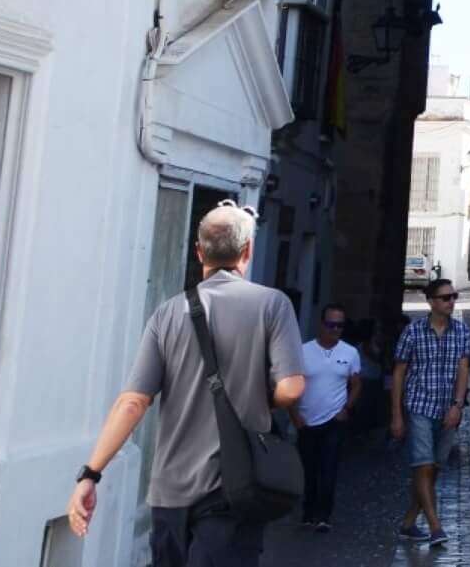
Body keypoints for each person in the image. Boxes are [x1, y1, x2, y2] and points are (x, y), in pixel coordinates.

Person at [66, 201, 307, 564]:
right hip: (234, 487)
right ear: (247, 251)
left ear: (199, 252)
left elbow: (132, 403)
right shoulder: (272, 305)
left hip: (169, 493)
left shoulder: (167, 313)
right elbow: (292, 389)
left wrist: (91, 474)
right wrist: (260, 398)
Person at [390, 277, 470, 550]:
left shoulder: (462, 331)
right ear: (431, 302)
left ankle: (408, 523)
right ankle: (436, 526)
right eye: (446, 297)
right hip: (419, 406)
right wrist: (396, 414)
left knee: (433, 468)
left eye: (453, 297)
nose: (451, 302)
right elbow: (399, 372)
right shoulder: (412, 332)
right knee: (423, 464)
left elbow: (463, 369)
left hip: (448, 409)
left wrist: (458, 405)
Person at [295, 304, 362, 531]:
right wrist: (294, 415)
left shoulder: (350, 353)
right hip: (307, 420)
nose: (335, 329)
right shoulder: (303, 351)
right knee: (309, 469)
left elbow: (356, 384)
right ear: (321, 324)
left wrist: (346, 408)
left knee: (329, 468)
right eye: (331, 324)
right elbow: (292, 384)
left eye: (340, 326)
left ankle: (323, 515)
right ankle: (308, 511)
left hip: (334, 420)